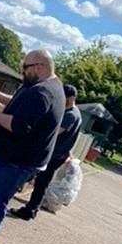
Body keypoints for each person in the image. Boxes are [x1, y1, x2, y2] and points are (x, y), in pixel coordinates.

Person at [0, 49, 65, 244]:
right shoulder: (43, 87)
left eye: (25, 68)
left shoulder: (44, 93)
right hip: (12, 158)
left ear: (38, 68)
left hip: (17, 162)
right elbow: (20, 105)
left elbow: (20, 125)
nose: (22, 72)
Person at [10, 84, 82, 220]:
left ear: (71, 98)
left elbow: (54, 132)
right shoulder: (74, 113)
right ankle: (31, 209)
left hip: (53, 154)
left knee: (38, 180)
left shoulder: (71, 115)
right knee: (40, 181)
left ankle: (30, 209)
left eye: (64, 97)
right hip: (57, 154)